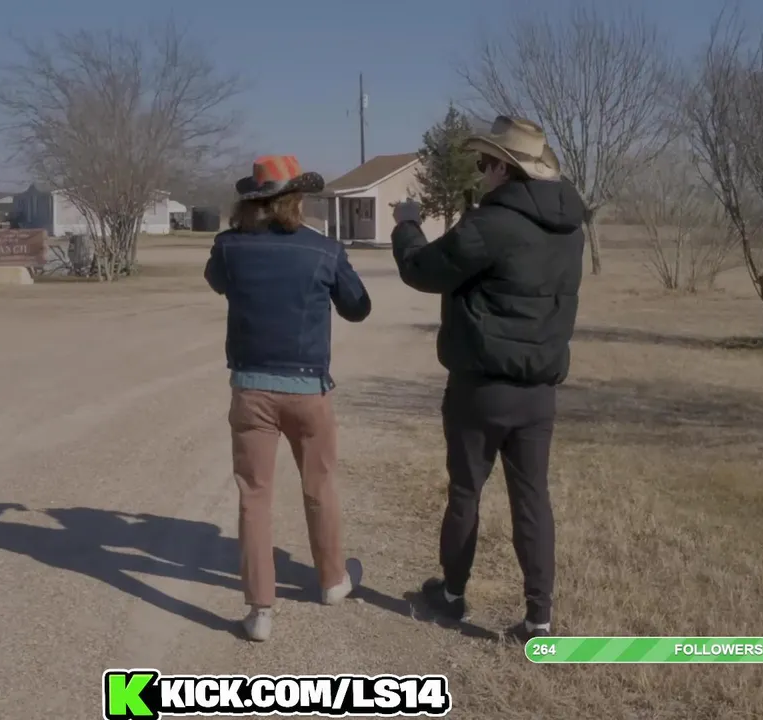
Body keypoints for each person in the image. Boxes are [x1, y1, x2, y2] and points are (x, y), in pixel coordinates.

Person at [389, 116, 585, 643]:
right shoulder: (570, 229)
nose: (480, 172)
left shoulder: (492, 224)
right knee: (532, 499)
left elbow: (422, 269)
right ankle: (539, 619)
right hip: (539, 391)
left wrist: (407, 225)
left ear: (502, 167)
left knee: (466, 491)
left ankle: (452, 595)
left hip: (481, 388)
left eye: (483, 163)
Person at [204, 155, 372, 642]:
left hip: (251, 388)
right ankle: (332, 580)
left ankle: (259, 610)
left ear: (251, 201)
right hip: (308, 389)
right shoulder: (324, 249)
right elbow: (358, 308)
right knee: (319, 485)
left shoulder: (229, 248)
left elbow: (217, 282)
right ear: (296, 199)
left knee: (254, 495)